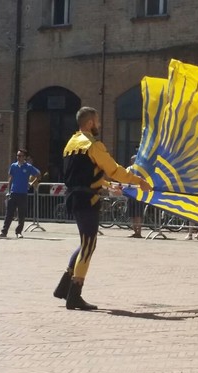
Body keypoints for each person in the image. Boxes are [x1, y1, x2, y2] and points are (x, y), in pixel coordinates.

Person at [53, 107, 151, 310]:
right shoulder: (93, 145)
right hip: (87, 200)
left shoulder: (70, 144)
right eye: (96, 122)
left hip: (75, 197)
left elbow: (82, 175)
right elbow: (114, 169)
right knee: (88, 245)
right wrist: (138, 181)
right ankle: (74, 294)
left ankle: (63, 287)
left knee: (85, 243)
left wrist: (106, 185)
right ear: (90, 123)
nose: (98, 125)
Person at [0, 149, 40, 238]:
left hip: (23, 193)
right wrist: (8, 191)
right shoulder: (13, 166)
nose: (18, 157)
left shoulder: (28, 167)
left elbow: (38, 174)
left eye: (20, 156)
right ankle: (4, 232)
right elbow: (11, 178)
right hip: (13, 192)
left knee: (21, 214)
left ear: (24, 157)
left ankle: (18, 232)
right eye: (17, 156)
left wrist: (31, 183)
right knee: (9, 214)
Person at [125, 155, 146, 238]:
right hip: (135, 194)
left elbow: (124, 179)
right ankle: (137, 232)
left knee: (136, 214)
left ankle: (138, 232)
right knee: (135, 214)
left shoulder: (130, 169)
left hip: (136, 194)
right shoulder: (138, 170)